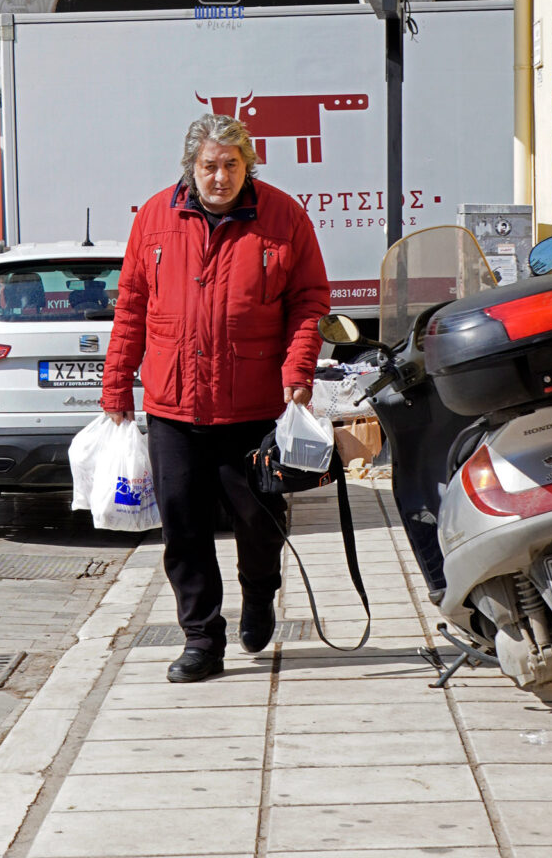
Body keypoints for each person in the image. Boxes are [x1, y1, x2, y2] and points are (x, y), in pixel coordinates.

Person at [101, 113, 330, 683]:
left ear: (248, 166)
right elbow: (131, 305)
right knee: (182, 528)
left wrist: (298, 367)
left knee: (258, 518)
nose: (220, 177)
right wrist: (116, 383)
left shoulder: (284, 217)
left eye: (232, 166)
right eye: (210, 166)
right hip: (173, 404)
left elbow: (309, 300)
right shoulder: (155, 217)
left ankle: (259, 592)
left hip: (250, 405)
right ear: (191, 167)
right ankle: (202, 639)